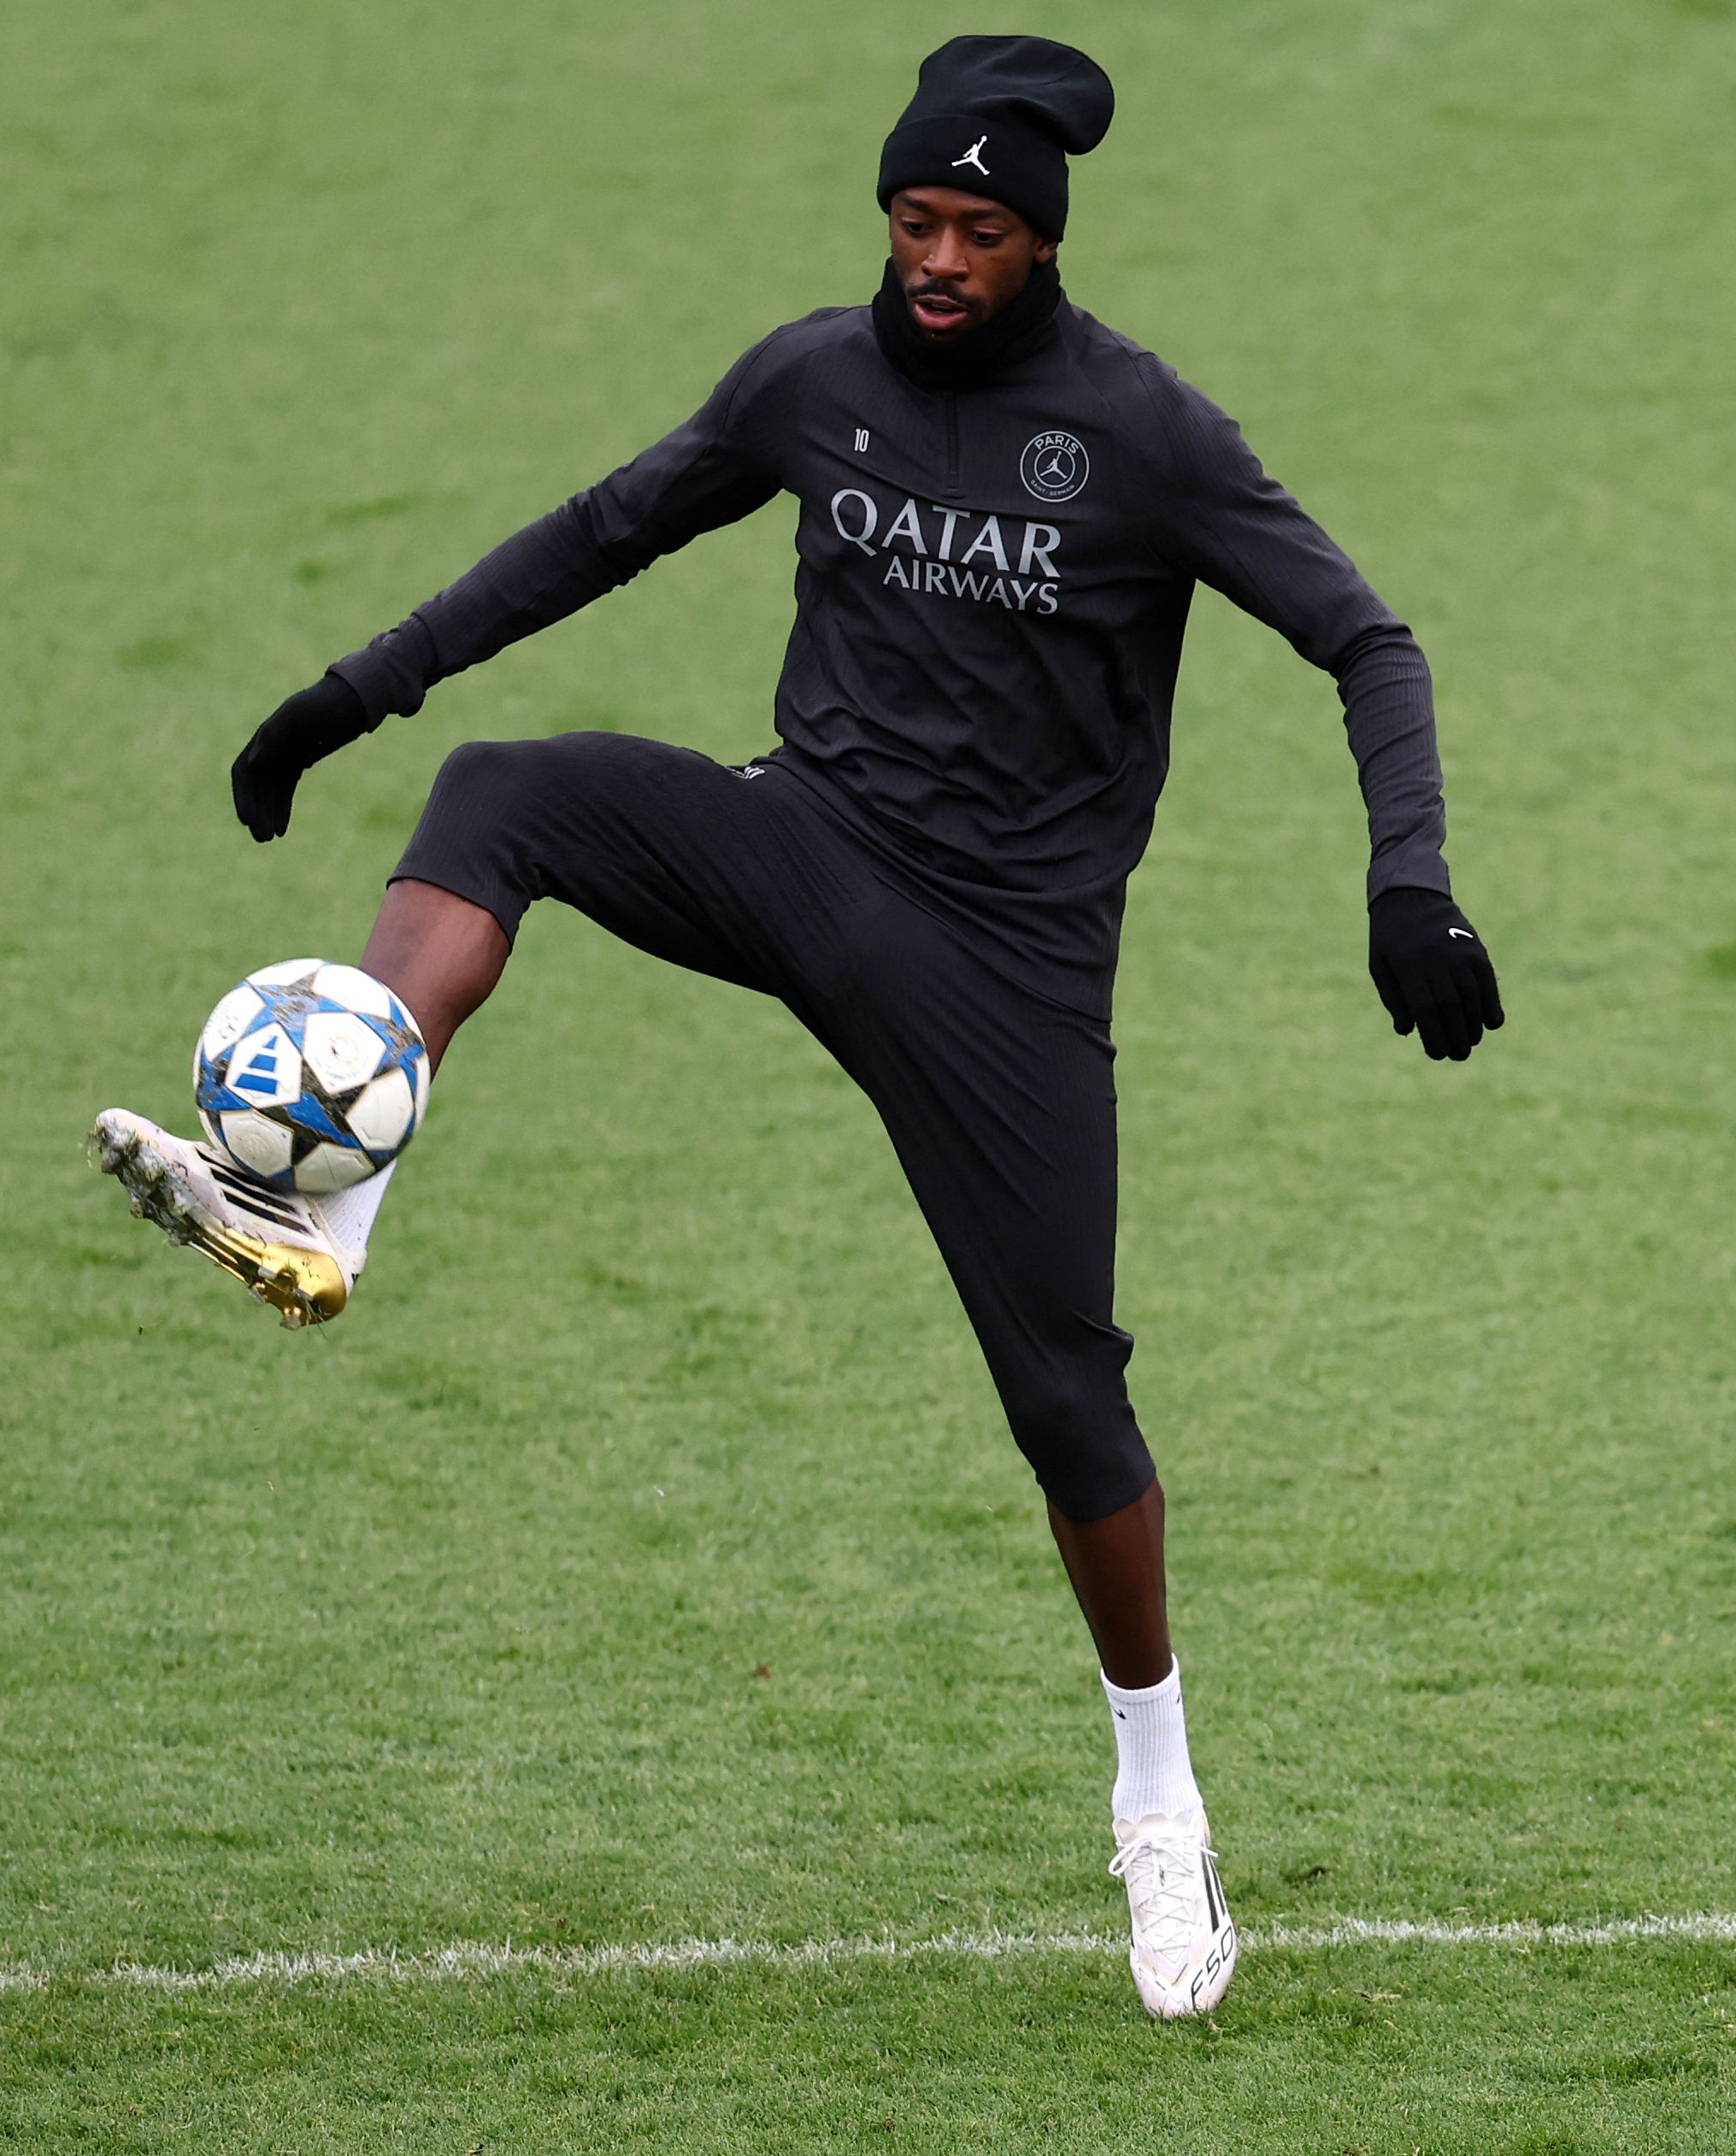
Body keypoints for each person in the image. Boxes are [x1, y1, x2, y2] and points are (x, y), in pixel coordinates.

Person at [91, 35, 1502, 2019]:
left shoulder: (1143, 434)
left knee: (1064, 1397)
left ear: (1041, 245)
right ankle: (324, 1202)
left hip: (1004, 965)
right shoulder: (810, 381)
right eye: (914, 220)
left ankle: (1159, 1801)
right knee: (505, 786)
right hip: (803, 845)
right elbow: (604, 527)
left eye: (977, 231)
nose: (933, 259)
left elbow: (1369, 638)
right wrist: (359, 690)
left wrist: (1408, 881)